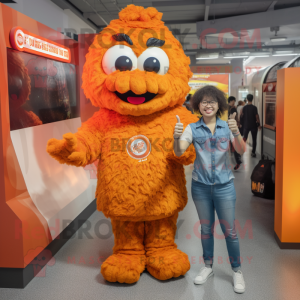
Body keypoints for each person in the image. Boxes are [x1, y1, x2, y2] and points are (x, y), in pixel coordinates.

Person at [173, 85, 246, 294]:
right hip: (201, 187)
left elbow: (241, 150)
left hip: (225, 187)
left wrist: (236, 131)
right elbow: (179, 152)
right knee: (206, 229)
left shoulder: (227, 127)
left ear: (219, 105)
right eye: (204, 102)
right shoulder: (192, 129)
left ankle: (237, 270)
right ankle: (207, 267)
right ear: (198, 105)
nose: (208, 105)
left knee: (230, 231)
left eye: (212, 102)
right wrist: (176, 136)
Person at [228, 96, 242, 170]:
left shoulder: (225, 108)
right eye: (233, 101)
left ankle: (238, 160)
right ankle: (238, 160)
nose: (234, 102)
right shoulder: (233, 109)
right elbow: (234, 118)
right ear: (231, 101)